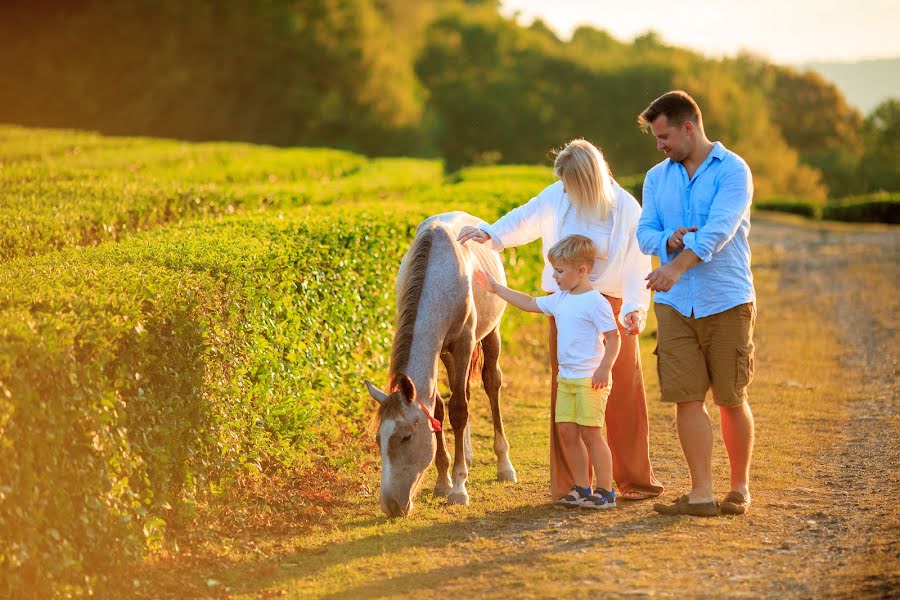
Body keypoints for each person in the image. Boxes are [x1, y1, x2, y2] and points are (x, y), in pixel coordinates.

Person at [458, 138, 664, 501]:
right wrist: (490, 233)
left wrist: (634, 308)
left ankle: (631, 478)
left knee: (620, 393)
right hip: (566, 307)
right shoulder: (557, 196)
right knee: (568, 395)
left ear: (587, 180)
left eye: (570, 182)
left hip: (612, 308)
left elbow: (636, 263)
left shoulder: (625, 209)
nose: (564, 188)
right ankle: (575, 483)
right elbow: (525, 217)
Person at [635, 90, 756, 517]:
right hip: (674, 306)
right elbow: (644, 231)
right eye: (656, 137)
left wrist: (675, 267)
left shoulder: (733, 171)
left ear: (689, 126)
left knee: (730, 397)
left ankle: (738, 487)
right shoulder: (656, 178)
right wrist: (665, 240)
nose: (660, 145)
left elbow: (718, 233)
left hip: (725, 299)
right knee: (686, 399)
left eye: (664, 135)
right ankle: (701, 493)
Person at [475, 235, 620, 509]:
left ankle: (605, 491)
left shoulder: (596, 302)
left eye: (560, 271)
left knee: (591, 434)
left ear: (582, 271)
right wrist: (495, 288)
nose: (554, 276)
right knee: (566, 432)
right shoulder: (560, 300)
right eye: (554, 270)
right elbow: (529, 302)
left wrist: (605, 368)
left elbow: (614, 338)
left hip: (591, 380)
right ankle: (581, 487)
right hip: (566, 379)